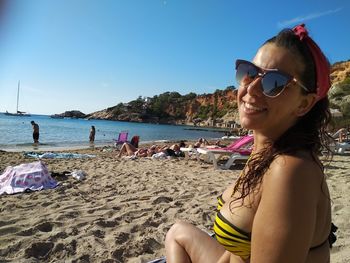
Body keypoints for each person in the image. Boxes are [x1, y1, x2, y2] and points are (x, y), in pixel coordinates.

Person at [165, 24, 336, 262]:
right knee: (177, 231)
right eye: (250, 72)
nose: (252, 89)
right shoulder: (265, 150)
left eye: (275, 82)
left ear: (304, 104)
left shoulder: (291, 171)